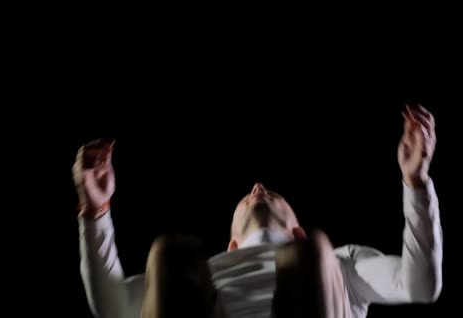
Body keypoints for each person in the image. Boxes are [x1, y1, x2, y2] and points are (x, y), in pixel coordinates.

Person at [73, 105, 442, 318]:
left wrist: (416, 182)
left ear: (296, 229)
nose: (258, 187)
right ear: (231, 245)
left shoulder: (336, 261)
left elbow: (419, 285)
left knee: (312, 255)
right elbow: (113, 306)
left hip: (312, 291)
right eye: (255, 192)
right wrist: (95, 210)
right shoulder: (208, 270)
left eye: (272, 193)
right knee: (169, 254)